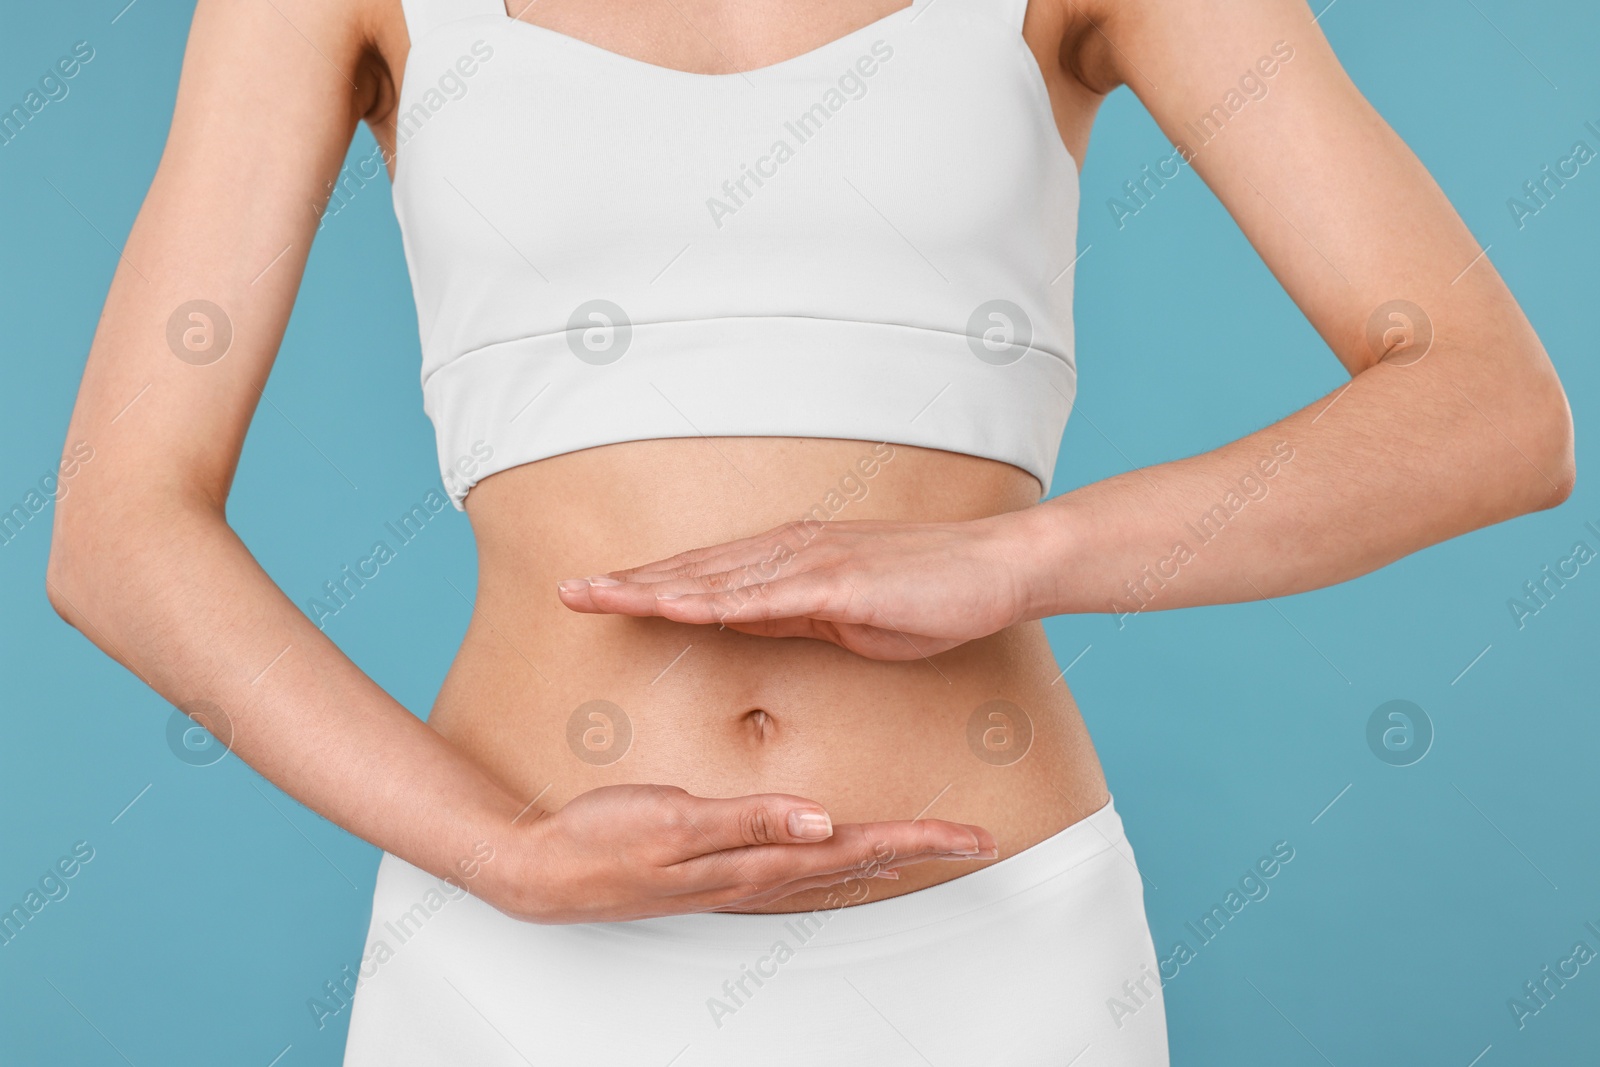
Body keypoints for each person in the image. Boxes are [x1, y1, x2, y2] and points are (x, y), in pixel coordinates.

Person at [46, 0, 1573, 1062]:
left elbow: (1492, 411)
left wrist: (1015, 558)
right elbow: (120, 527)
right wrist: (503, 852)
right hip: (521, 968)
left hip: (988, 954)